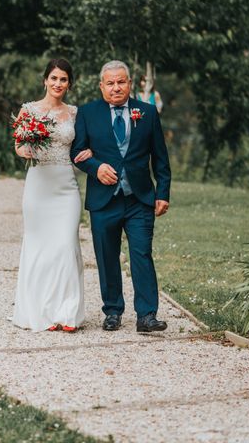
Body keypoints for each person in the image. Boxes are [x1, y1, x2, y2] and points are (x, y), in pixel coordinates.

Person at [70, 60, 171, 332]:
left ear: (129, 83)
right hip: (104, 199)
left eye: (121, 82)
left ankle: (147, 315)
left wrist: (163, 192)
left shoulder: (147, 113)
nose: (116, 87)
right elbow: (77, 152)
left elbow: (160, 158)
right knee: (107, 256)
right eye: (110, 83)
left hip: (140, 198)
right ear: (101, 86)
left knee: (142, 253)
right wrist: (96, 167)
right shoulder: (88, 113)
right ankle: (113, 311)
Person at [12, 58, 92, 332]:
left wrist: (89, 152)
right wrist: (24, 150)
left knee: (66, 244)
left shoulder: (74, 113)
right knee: (39, 247)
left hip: (65, 185)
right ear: (45, 80)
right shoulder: (28, 110)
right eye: (54, 78)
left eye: (64, 79)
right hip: (39, 184)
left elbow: (83, 144)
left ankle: (66, 312)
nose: (58, 84)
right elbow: (19, 144)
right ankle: (41, 311)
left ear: (69, 84)